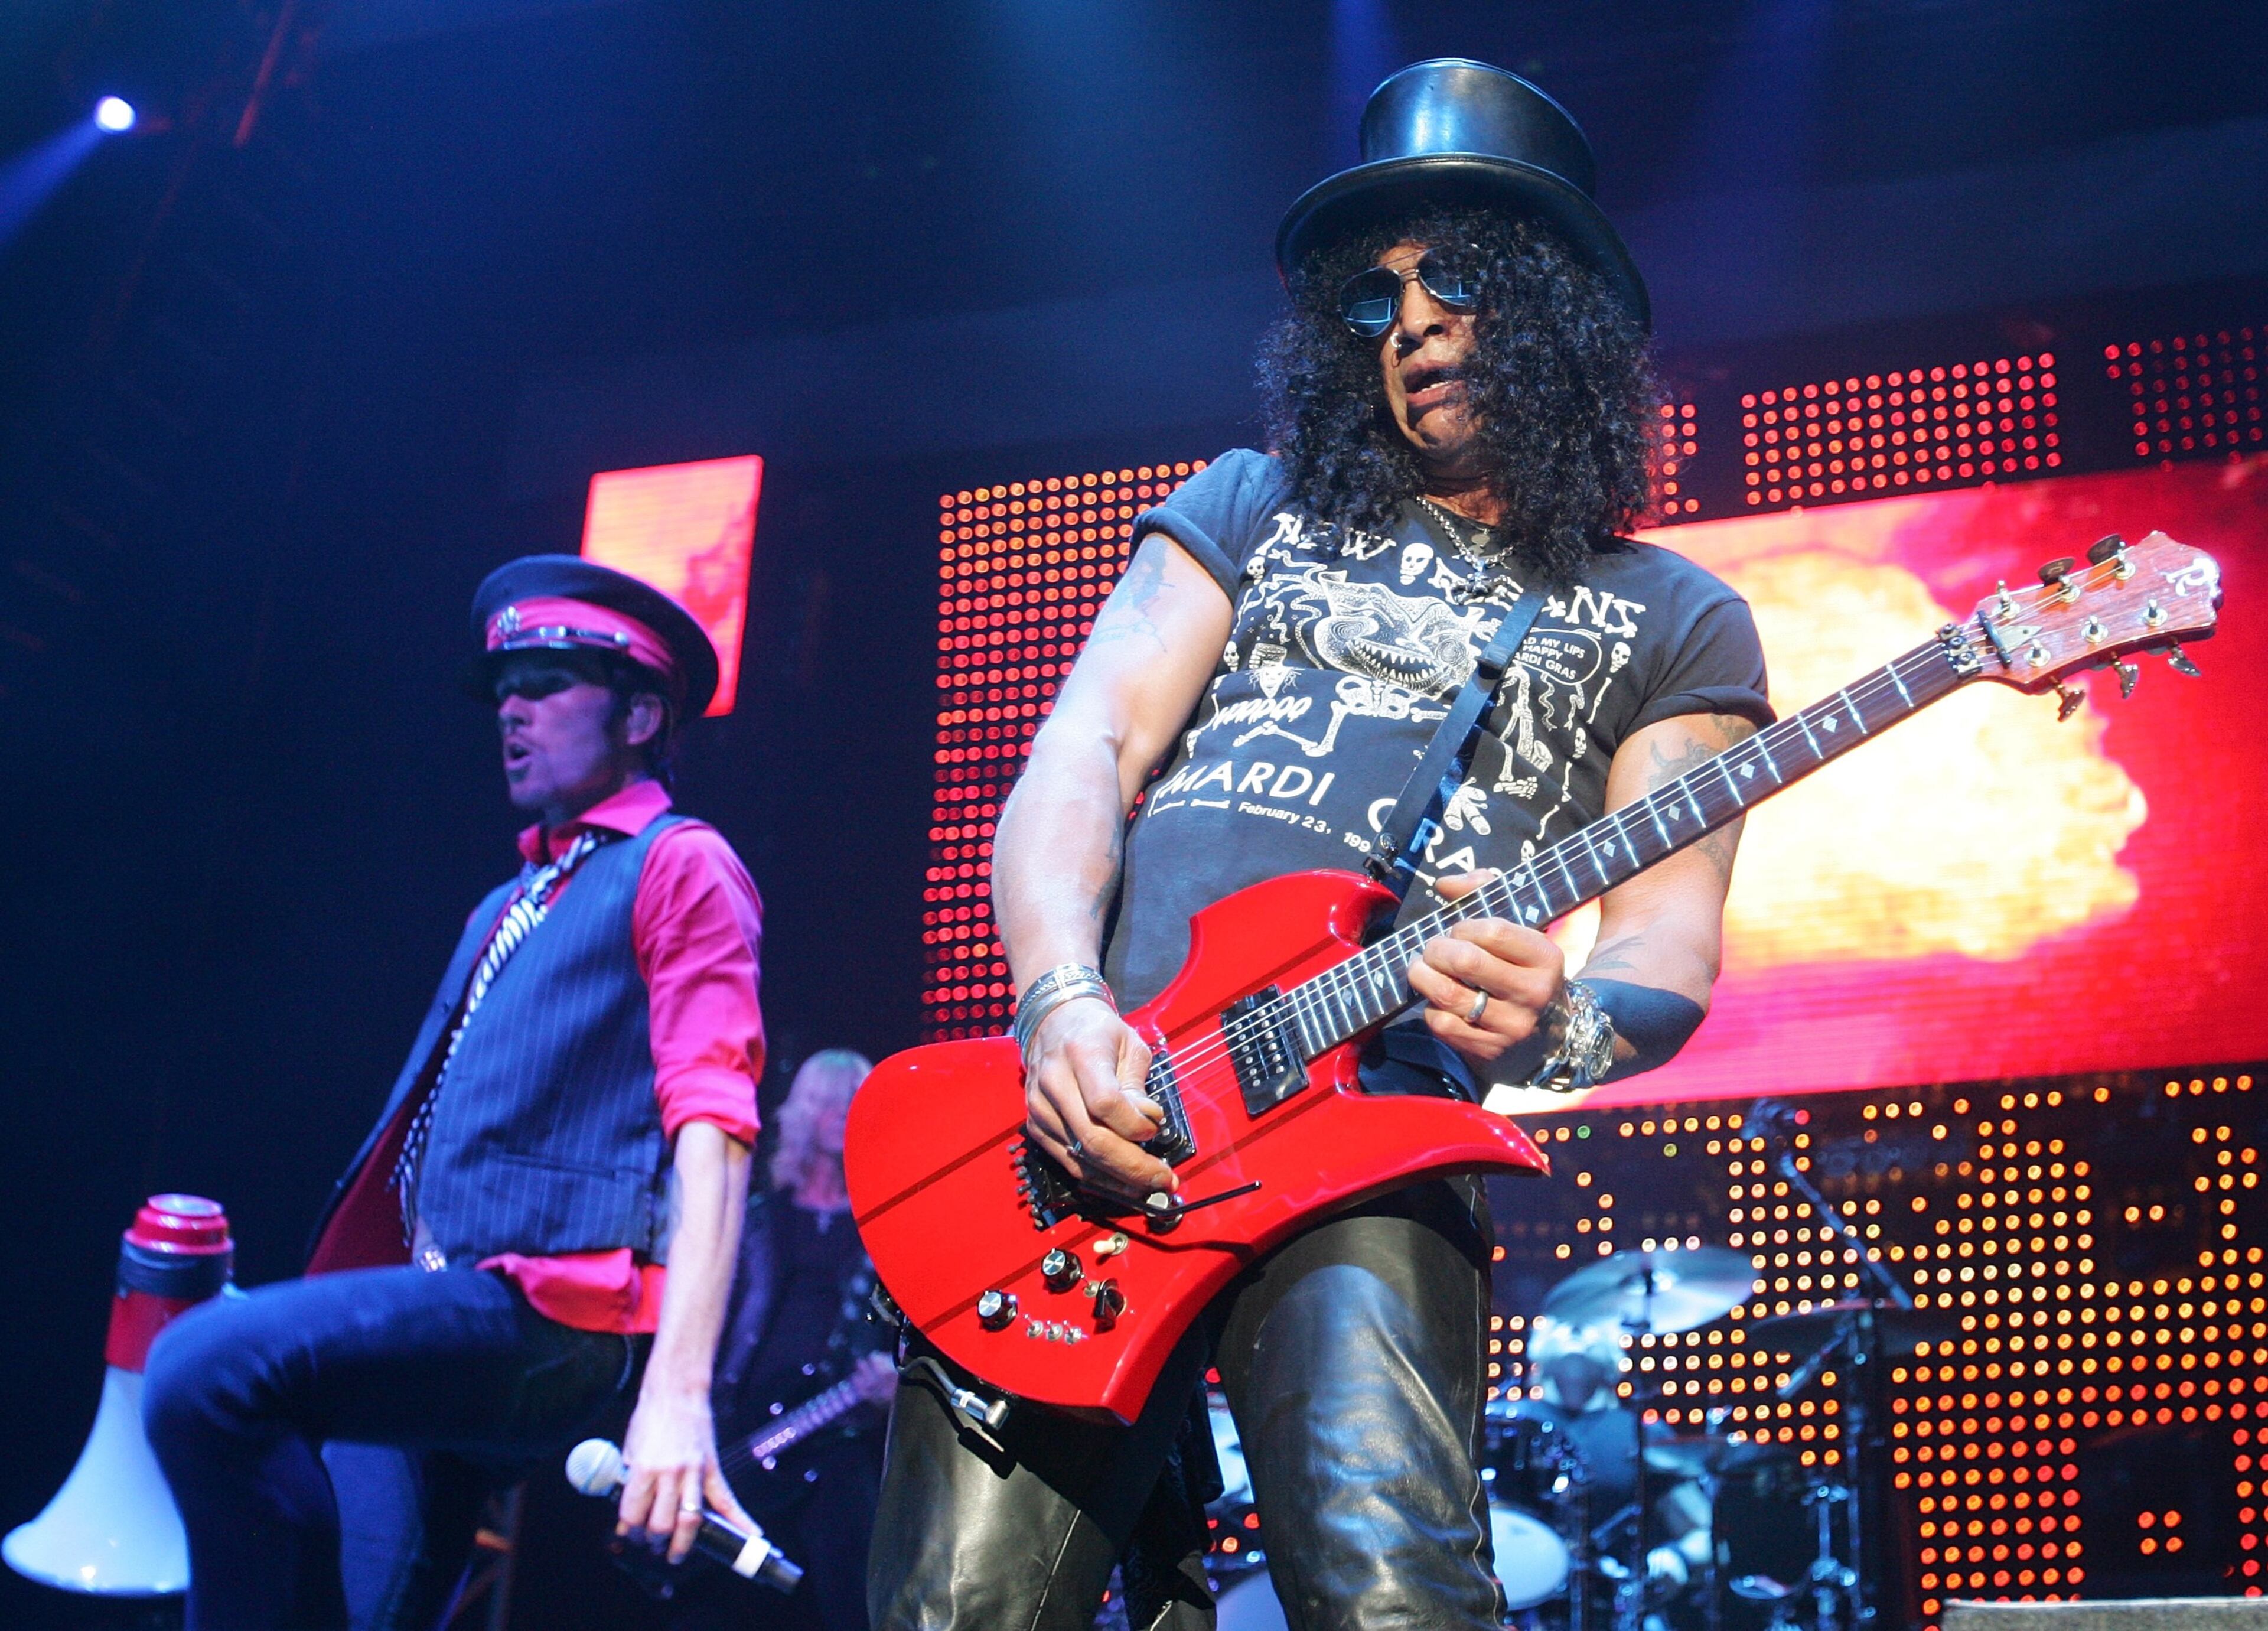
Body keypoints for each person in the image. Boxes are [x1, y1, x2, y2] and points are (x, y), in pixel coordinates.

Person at [867, 59, 1774, 1631]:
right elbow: (1084, 749)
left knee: (1389, 1600)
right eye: (1377, 296)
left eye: (1456, 281)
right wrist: (1059, 1002)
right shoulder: (1251, 506)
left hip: (1369, 1133)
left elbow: (1665, 944)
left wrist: (1552, 1015)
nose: (1410, 323)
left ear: (1554, 309)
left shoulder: (1674, 616)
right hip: (1095, 1127)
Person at [142, 556, 768, 1630]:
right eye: (503, 691)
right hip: (454, 1299)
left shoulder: (682, 863)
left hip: (558, 1312)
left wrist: (678, 1392)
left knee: (205, 1365)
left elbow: (716, 1119)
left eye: (546, 683)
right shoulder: (508, 901)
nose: (512, 710)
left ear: (641, 712)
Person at [655, 1050, 897, 1631]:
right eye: (825, 1100)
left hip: (834, 1430)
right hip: (738, 1427)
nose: (838, 1114)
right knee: (712, 1599)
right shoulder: (756, 1217)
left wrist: (895, 1384)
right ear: (799, 1112)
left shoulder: (886, 1229)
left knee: (847, 1588)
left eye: (851, 1101)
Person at [1511, 1316, 1712, 1625]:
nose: (1576, 1327)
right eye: (1565, 1317)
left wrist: (1679, 1558)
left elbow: (1704, 1533)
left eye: (1590, 1318)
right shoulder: (1508, 1426)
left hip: (1621, 1609)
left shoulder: (1644, 1435)